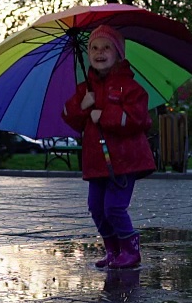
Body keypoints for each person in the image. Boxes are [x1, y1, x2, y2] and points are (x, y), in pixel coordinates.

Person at [62, 25, 156, 269]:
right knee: (96, 208)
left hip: (124, 160)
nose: (99, 52)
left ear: (118, 54)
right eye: (94, 48)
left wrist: (102, 114)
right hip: (96, 161)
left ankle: (130, 249)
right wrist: (83, 105)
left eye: (106, 47)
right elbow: (69, 116)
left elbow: (139, 119)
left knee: (114, 207)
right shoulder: (86, 88)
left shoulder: (129, 87)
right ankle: (113, 249)